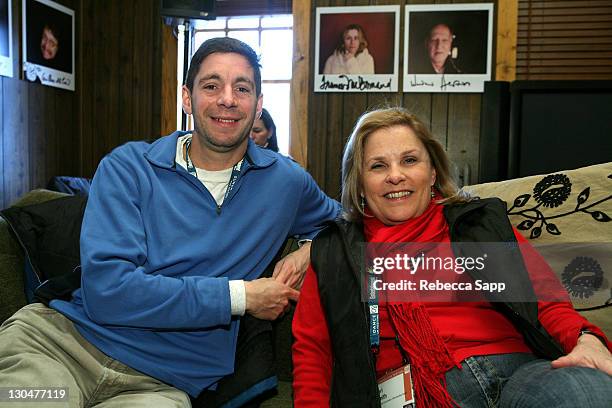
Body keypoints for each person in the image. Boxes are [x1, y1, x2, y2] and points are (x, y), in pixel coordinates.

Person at [0, 37, 340, 407]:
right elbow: (108, 291)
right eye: (211, 86)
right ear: (186, 98)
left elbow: (348, 220)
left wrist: (310, 249)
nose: (227, 98)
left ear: (258, 105)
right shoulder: (128, 167)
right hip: (61, 346)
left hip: (159, 385)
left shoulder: (286, 182)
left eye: (241, 88)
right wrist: (241, 296)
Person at [292, 107, 612, 407]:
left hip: (517, 374)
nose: (395, 176)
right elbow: (313, 352)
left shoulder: (478, 225)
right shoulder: (336, 251)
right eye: (378, 165)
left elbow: (545, 301)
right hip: (417, 391)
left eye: (409, 160)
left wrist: (585, 339)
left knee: (585, 391)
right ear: (359, 184)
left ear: (432, 173)